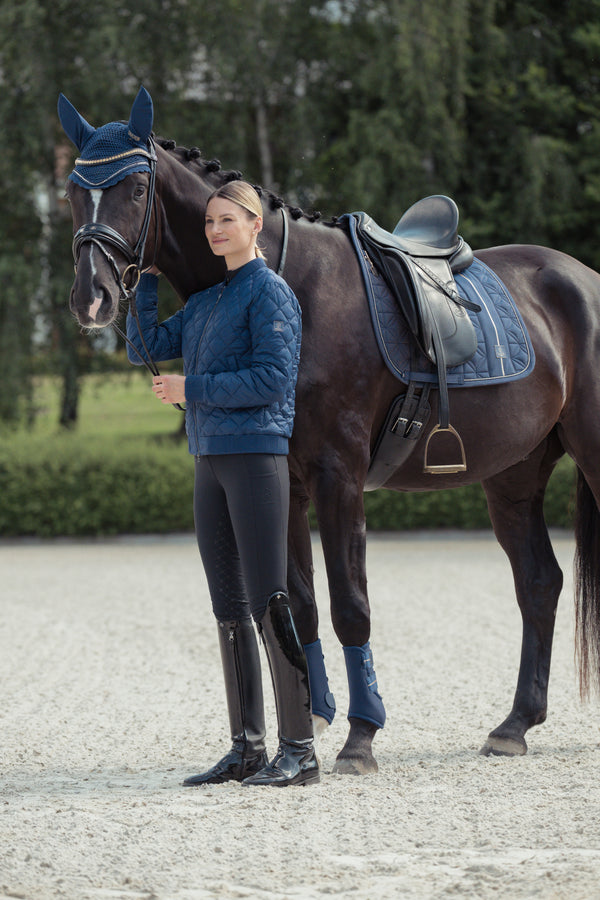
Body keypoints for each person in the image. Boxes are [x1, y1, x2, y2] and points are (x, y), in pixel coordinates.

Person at [126, 180, 319, 788]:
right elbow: (143, 347)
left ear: (255, 224)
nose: (214, 230)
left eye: (226, 220)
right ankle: (246, 748)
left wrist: (194, 391)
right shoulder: (209, 302)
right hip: (208, 460)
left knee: (270, 597)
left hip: (257, 457)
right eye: (209, 221)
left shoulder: (272, 293)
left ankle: (301, 749)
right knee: (229, 607)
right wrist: (146, 280)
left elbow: (272, 380)